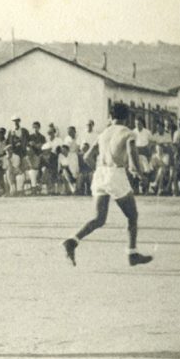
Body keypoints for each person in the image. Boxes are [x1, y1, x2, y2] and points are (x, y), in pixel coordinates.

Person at [62, 102, 153, 267]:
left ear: (111, 117)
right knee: (132, 216)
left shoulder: (103, 133)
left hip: (100, 174)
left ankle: (72, 240)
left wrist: (100, 170)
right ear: (127, 117)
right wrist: (140, 174)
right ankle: (132, 254)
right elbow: (132, 154)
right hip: (115, 174)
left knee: (99, 218)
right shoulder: (128, 132)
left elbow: (87, 157)